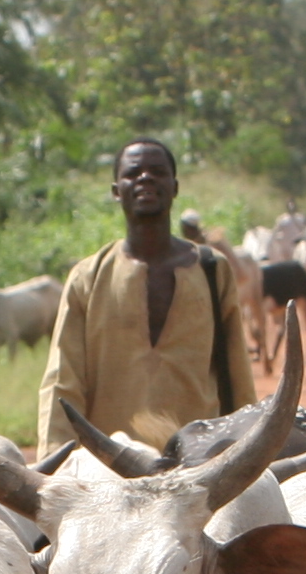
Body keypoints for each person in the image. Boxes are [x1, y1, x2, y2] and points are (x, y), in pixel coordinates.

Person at [38, 139, 257, 449]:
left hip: (199, 460)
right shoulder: (88, 277)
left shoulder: (212, 270)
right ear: (116, 191)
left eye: (157, 171)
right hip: (111, 462)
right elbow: (63, 380)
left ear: (175, 187)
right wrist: (56, 460)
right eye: (133, 173)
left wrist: (248, 448)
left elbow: (237, 376)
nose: (145, 178)